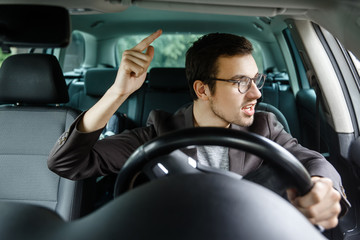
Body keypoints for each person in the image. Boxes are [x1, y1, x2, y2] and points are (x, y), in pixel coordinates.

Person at [48, 29, 349, 229]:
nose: (256, 93)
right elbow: (66, 161)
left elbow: (313, 161)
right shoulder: (158, 132)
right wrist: (118, 93)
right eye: (241, 82)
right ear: (203, 90)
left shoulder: (265, 126)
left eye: (257, 79)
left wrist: (324, 187)